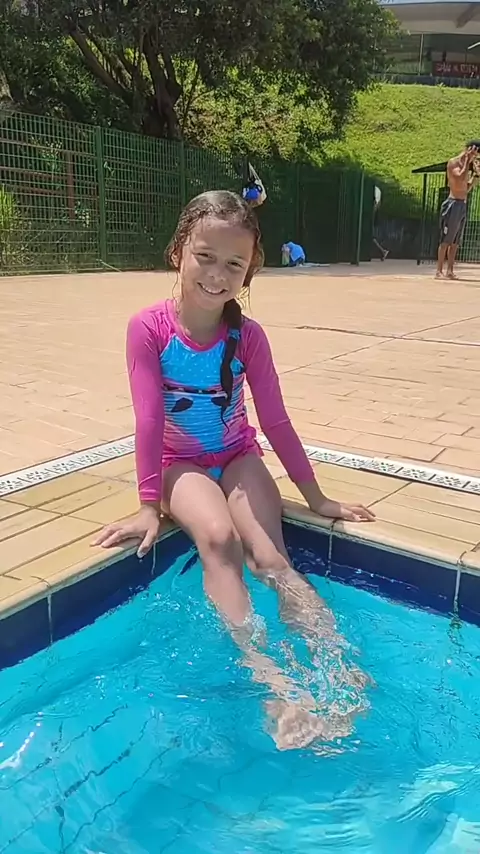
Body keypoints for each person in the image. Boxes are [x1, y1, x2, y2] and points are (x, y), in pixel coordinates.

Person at [94, 191, 374, 747]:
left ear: (250, 271)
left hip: (237, 454)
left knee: (272, 559)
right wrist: (149, 506)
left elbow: (275, 420)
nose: (217, 275)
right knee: (218, 539)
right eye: (205, 257)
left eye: (234, 264)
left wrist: (317, 498)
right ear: (178, 251)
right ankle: (273, 684)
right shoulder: (149, 329)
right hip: (179, 464)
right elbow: (149, 420)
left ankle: (338, 666)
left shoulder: (249, 336)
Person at [436, 141, 480, 280]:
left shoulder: (468, 167)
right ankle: (439, 271)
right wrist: (467, 160)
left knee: (455, 242)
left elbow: (465, 188)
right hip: (452, 204)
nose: (475, 157)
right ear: (469, 150)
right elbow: (459, 177)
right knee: (446, 240)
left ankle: (450, 270)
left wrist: (476, 176)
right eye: (474, 154)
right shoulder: (453, 163)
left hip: (462, 204)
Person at [373, 185, 389, 261]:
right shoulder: (376, 190)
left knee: (371, 237)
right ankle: (383, 251)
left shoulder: (376, 190)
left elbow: (377, 204)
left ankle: (383, 251)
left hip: (371, 217)